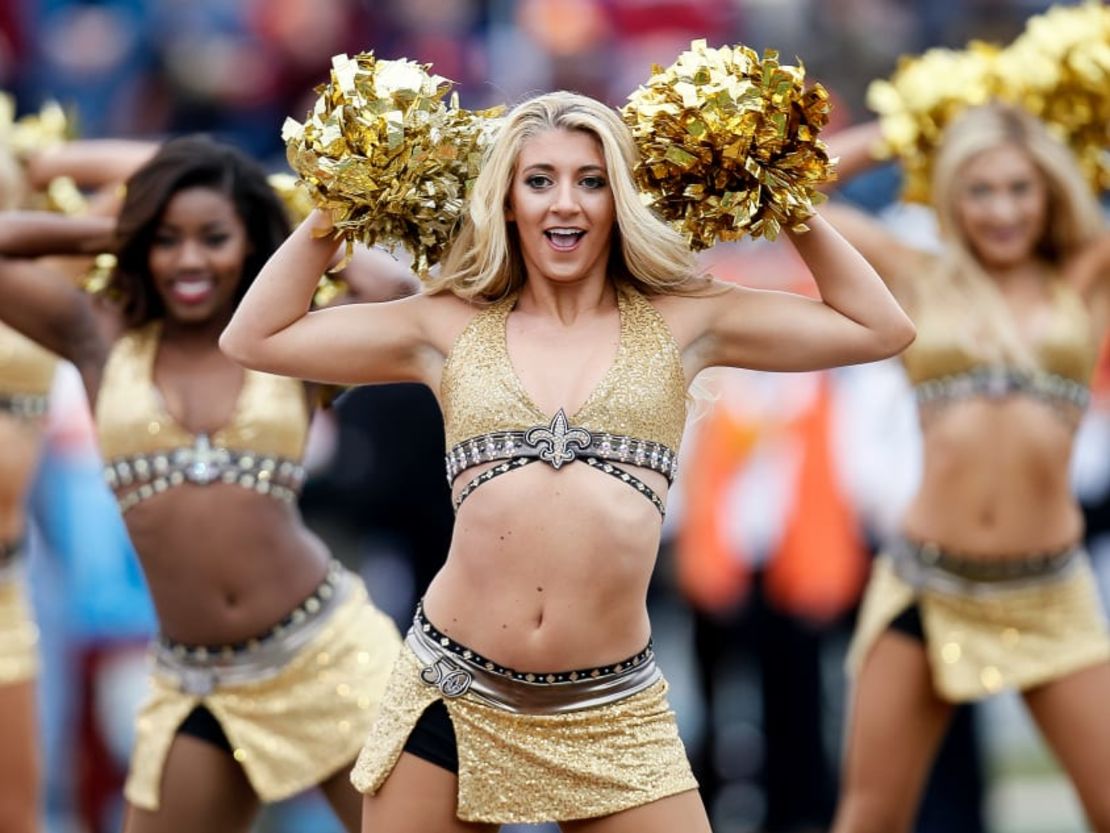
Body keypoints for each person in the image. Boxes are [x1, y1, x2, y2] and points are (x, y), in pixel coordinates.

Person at [221, 90, 915, 833]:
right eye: (539, 180)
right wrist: (343, 204)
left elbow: (879, 327)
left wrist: (779, 198)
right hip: (452, 693)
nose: (567, 203)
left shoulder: (688, 317)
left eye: (591, 180)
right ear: (507, 200)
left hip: (612, 707)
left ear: (620, 199)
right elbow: (255, 338)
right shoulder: (445, 322)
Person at [0, 135, 408, 833]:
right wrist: (122, 227)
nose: (189, 259)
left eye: (214, 238)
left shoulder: (289, 341)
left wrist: (298, 223)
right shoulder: (100, 338)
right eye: (168, 241)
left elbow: (395, 290)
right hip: (193, 684)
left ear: (248, 245)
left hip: (328, 655)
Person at [820, 103, 1110, 833]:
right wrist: (902, 128)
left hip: (1051, 591)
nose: (1003, 209)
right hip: (926, 588)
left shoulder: (1086, 273)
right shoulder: (917, 273)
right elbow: (791, 199)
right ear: (949, 196)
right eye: (980, 189)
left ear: (1049, 192)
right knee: (870, 817)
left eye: (1020, 187)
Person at [0, 135, 155, 833]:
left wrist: (45, 162)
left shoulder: (43, 265)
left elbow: (162, 175)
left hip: (6, 596)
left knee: (16, 813)